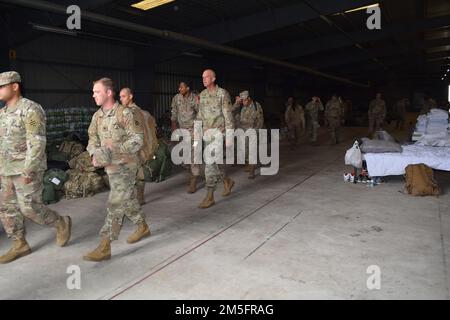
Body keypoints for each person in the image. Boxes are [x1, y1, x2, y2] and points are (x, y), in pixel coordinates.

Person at [0, 71, 71, 264]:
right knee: (6, 209)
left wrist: (29, 170)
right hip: (5, 170)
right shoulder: (2, 114)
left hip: (25, 168)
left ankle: (60, 222)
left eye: (2, 86)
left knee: (29, 208)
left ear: (15, 86)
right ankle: (19, 244)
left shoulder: (31, 109)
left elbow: (36, 141)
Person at [83, 78, 150, 262]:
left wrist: (114, 150)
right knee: (127, 200)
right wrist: (94, 155)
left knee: (115, 202)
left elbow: (138, 140)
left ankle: (105, 246)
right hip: (110, 167)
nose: (93, 95)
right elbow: (92, 138)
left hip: (127, 164)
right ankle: (142, 226)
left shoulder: (125, 114)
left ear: (109, 93)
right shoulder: (97, 116)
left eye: (97, 91)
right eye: (93, 92)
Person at [196, 69, 235, 209]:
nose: (204, 79)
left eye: (206, 77)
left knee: (209, 164)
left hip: (219, 133)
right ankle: (227, 181)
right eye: (202, 77)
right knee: (215, 163)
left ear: (213, 78)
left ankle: (210, 196)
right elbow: (200, 115)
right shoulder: (203, 94)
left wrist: (229, 136)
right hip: (207, 134)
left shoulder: (222, 94)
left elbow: (228, 116)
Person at [119, 87, 157, 205]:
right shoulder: (130, 111)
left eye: (123, 96)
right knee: (136, 172)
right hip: (131, 147)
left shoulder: (134, 112)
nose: (121, 99)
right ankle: (138, 197)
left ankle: (138, 198)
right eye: (120, 97)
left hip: (134, 147)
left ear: (131, 96)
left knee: (135, 173)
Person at [170, 81, 201, 193]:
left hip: (193, 130)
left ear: (187, 88)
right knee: (183, 155)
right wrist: (174, 129)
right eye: (179, 87)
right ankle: (192, 173)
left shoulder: (195, 98)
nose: (179, 89)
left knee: (194, 155)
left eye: (181, 87)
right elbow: (174, 113)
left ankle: (193, 180)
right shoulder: (176, 98)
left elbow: (200, 113)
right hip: (181, 130)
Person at [235, 90, 264, 179]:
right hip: (243, 132)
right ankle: (249, 165)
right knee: (245, 151)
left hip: (252, 132)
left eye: (244, 100)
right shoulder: (241, 107)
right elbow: (232, 113)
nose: (243, 102)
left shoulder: (256, 106)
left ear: (249, 98)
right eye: (242, 101)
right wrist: (236, 103)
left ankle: (252, 171)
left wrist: (256, 132)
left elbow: (260, 120)